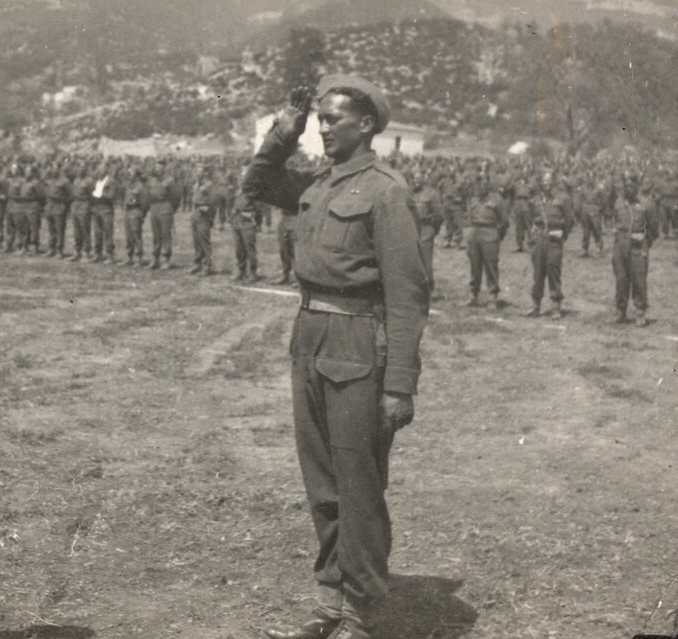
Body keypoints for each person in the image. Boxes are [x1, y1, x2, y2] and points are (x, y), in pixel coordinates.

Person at [244, 75, 430, 639]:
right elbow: (256, 183)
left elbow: (407, 294)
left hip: (356, 343)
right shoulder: (320, 184)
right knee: (322, 480)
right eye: (320, 118)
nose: (324, 127)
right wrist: (286, 129)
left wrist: (399, 383)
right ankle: (330, 598)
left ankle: (361, 612)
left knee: (358, 483)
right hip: (311, 336)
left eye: (334, 119)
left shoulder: (385, 191)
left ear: (367, 124)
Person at [524, 169, 574, 320]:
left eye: (548, 181)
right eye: (544, 181)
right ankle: (535, 305)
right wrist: (533, 234)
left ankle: (556, 307)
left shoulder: (563, 198)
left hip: (554, 241)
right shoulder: (537, 199)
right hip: (540, 240)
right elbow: (531, 217)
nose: (546, 184)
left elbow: (570, 221)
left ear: (554, 182)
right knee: (538, 272)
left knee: (553, 272)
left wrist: (562, 235)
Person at [610, 171, 658, 326]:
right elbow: (616, 221)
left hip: (638, 246)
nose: (629, 188)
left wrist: (643, 239)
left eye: (632, 185)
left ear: (637, 186)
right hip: (621, 246)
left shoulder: (647, 204)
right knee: (621, 279)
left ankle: (640, 312)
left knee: (639, 279)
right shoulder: (618, 202)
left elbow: (653, 229)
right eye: (626, 185)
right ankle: (621, 311)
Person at [465, 171, 509, 307]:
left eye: (484, 182)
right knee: (475, 266)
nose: (481, 185)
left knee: (491, 266)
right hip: (474, 234)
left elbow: (504, 222)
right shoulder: (473, 199)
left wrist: (496, 236)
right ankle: (473, 295)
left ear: (489, 184)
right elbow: (470, 217)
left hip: (490, 234)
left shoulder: (497, 199)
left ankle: (493, 296)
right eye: (479, 183)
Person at [410, 169, 443, 289]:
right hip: (413, 229)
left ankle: (429, 286)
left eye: (419, 178)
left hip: (426, 229)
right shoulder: (410, 193)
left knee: (426, 260)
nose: (416, 181)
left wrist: (434, 230)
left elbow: (439, 215)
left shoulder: (431, 193)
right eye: (414, 178)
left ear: (424, 179)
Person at [188, 164, 217, 275]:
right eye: (196, 171)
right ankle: (198, 264)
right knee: (196, 241)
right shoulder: (196, 184)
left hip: (203, 215)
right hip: (195, 214)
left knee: (204, 242)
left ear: (205, 173)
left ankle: (208, 266)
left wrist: (209, 214)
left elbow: (214, 201)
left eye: (200, 171)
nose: (198, 173)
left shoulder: (209, 185)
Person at [230, 192, 262, 282]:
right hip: (236, 223)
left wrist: (257, 224)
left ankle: (253, 273)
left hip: (247, 224)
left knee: (249, 249)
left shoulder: (253, 193)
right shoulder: (238, 191)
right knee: (239, 249)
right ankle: (241, 271)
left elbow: (258, 210)